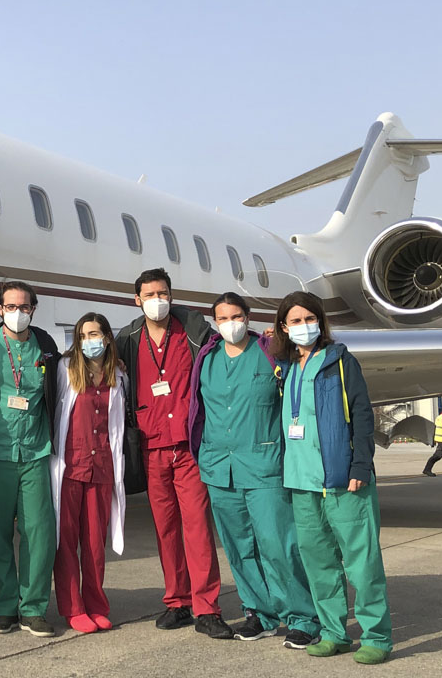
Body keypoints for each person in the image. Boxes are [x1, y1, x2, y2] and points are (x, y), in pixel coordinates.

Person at [186, 293, 320, 648]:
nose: (231, 323)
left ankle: (303, 617)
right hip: (219, 468)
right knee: (239, 548)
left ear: (247, 317)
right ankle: (259, 613)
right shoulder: (207, 358)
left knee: (278, 544)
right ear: (215, 322)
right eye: (223, 318)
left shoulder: (270, 353)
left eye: (237, 316)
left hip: (264, 465)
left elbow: (299, 391)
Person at [274, 291, 393, 665]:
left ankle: (377, 636)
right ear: (284, 327)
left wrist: (361, 465)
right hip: (303, 483)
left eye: (309, 319)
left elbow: (362, 414)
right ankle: (334, 633)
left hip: (342, 480)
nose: (303, 326)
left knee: (362, 562)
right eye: (294, 321)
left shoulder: (340, 362)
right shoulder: (287, 368)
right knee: (319, 564)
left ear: (320, 322)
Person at [114, 268, 232, 639]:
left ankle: (207, 608)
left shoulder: (196, 334)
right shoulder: (128, 339)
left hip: (188, 447)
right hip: (151, 448)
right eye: (149, 295)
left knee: (197, 527)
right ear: (137, 300)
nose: (157, 300)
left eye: (162, 293)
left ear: (171, 294)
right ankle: (177, 601)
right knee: (165, 530)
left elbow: (231, 354)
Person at [0, 280, 60, 637]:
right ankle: (6, 605)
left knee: (39, 533)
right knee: (0, 535)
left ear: (33, 309)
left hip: (35, 452)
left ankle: (33, 608)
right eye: (11, 307)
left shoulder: (46, 344)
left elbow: (63, 383)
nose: (18, 313)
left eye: (24, 307)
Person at [50, 312, 127, 634]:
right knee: (65, 542)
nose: (89, 342)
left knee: (95, 544)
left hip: (103, 469)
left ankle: (96, 604)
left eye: (95, 335)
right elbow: (55, 411)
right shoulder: (66, 370)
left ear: (107, 337)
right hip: (71, 467)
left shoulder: (119, 375)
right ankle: (73, 608)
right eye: (83, 336)